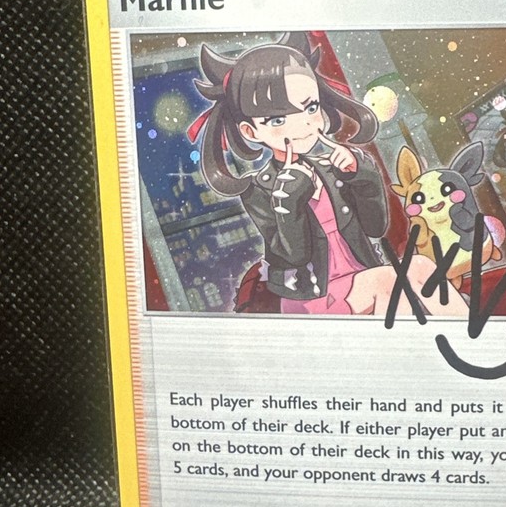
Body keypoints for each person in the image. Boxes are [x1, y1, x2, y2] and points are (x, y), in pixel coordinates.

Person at [189, 33, 465, 316]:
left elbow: (375, 228)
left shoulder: (331, 169)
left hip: (362, 277)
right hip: (313, 297)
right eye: (278, 119)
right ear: (250, 131)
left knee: (420, 267)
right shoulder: (259, 189)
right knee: (388, 283)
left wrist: (362, 176)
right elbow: (294, 255)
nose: (303, 124)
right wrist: (290, 202)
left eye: (310, 107)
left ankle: (469, 333)